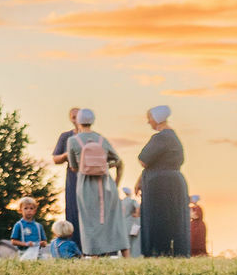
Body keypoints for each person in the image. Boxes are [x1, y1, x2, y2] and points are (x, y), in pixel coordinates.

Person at [61, 109, 129, 257]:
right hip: (106, 183)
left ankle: (93, 256)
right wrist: (109, 173)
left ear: (78, 121)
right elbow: (117, 160)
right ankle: (126, 255)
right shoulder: (101, 139)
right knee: (114, 219)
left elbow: (73, 166)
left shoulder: (73, 141)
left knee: (89, 221)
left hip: (85, 185)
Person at [136, 105, 190, 258]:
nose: (149, 122)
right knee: (173, 218)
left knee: (158, 218)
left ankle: (157, 250)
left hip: (159, 184)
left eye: (150, 118)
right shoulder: (173, 137)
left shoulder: (160, 137)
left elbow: (143, 160)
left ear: (157, 119)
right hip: (174, 181)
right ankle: (175, 251)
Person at [50, 107, 83, 239]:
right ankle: (74, 245)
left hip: (90, 176)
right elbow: (55, 159)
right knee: (73, 211)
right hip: (73, 178)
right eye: (74, 117)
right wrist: (66, 154)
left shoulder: (93, 137)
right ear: (70, 119)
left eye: (79, 116)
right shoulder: (66, 137)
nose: (76, 120)